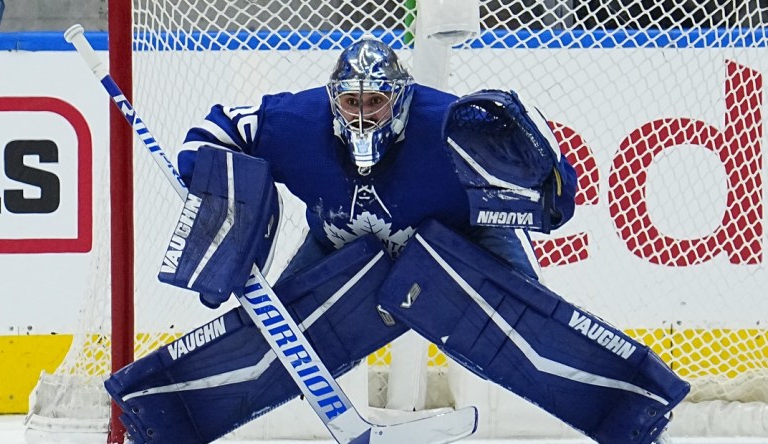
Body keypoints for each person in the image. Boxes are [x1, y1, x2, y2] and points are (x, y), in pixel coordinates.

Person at [104, 39, 689, 444]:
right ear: (334, 100)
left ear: (400, 99)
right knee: (278, 341)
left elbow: (557, 199)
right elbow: (218, 129)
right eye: (350, 102)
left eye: (374, 101)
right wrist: (203, 172)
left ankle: (633, 410)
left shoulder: (447, 123)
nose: (360, 115)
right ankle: (164, 417)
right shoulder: (297, 122)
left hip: (460, 233)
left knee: (529, 326)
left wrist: (547, 180)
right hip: (340, 241)